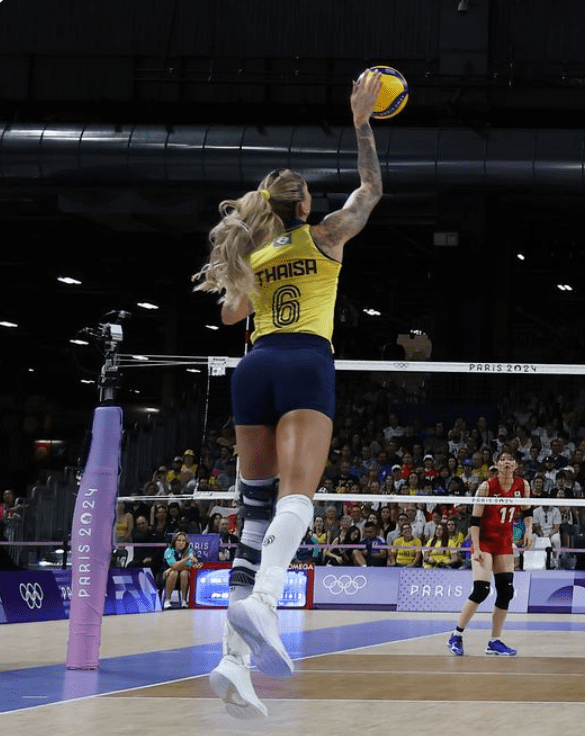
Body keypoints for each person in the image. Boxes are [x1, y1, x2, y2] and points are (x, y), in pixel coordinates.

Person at [196, 71, 384, 719]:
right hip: (305, 360)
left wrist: (248, 259)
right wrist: (361, 122)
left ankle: (231, 663)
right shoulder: (325, 235)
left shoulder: (254, 251)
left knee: (252, 517)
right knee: (297, 501)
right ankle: (266, 601)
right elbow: (371, 191)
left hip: (253, 367)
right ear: (305, 208)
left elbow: (228, 316)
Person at [447, 448, 532, 657]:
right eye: (502, 460)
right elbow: (474, 521)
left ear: (516, 465)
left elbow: (528, 511)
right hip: (484, 541)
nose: (506, 463)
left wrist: (528, 530)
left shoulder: (523, 485)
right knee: (482, 590)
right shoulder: (487, 487)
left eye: (510, 460)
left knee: (506, 592)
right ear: (496, 464)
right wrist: (475, 548)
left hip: (504, 542)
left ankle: (494, 641)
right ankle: (456, 635)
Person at [161, 531, 201, 609]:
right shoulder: (169, 551)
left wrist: (172, 568)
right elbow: (174, 565)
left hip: (182, 576)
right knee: (173, 573)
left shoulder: (189, 551)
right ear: (174, 542)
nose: (181, 543)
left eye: (183, 541)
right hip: (166, 576)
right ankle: (167, 600)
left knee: (184, 573)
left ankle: (184, 600)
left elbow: (191, 566)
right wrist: (187, 559)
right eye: (179, 540)